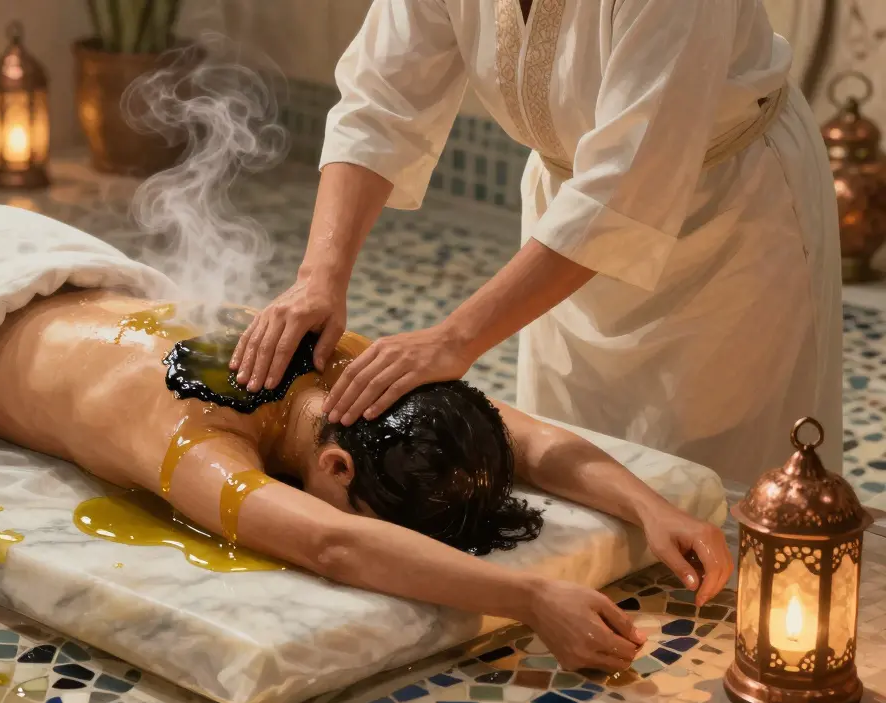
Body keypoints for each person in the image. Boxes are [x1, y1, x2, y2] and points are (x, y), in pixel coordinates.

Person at [230, 0, 843, 490]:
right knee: (575, 461)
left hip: (725, 225)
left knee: (724, 489)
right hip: (565, 220)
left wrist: (455, 338)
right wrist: (319, 278)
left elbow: (627, 185)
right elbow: (378, 104)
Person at [0, 288, 731, 673]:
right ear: (335, 467)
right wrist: (531, 597)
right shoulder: (195, 439)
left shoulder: (340, 368)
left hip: (45, 287)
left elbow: (519, 437)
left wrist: (651, 508)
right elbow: (334, 545)